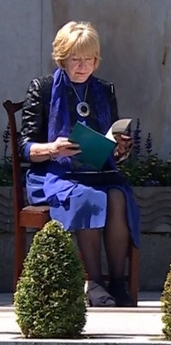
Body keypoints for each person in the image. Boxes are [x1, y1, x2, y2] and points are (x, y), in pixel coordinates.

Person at [19, 21, 139, 307]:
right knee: (88, 197)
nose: (83, 66)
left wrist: (119, 148)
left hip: (96, 171)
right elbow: (25, 148)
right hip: (53, 173)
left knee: (117, 196)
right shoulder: (44, 88)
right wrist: (53, 148)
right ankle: (95, 282)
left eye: (89, 59)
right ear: (62, 58)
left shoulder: (104, 89)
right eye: (75, 59)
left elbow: (109, 139)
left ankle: (118, 283)